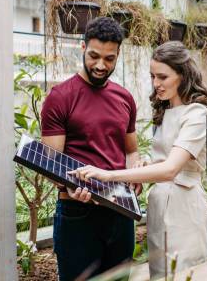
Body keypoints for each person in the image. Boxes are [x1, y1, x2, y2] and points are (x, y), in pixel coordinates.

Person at [69, 41, 207, 279]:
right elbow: (165, 157)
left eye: (163, 77)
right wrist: (146, 163)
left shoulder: (197, 114)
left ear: (182, 75)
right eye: (152, 76)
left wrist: (109, 174)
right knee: (160, 274)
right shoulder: (165, 110)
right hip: (159, 203)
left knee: (185, 274)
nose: (156, 84)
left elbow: (170, 169)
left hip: (184, 206)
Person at [40, 16, 141, 281]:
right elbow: (51, 162)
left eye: (109, 59)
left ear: (118, 54)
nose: (100, 65)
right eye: (94, 55)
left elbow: (131, 151)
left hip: (120, 212)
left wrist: (135, 174)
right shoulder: (60, 97)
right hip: (77, 213)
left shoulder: (124, 98)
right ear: (82, 48)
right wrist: (69, 187)